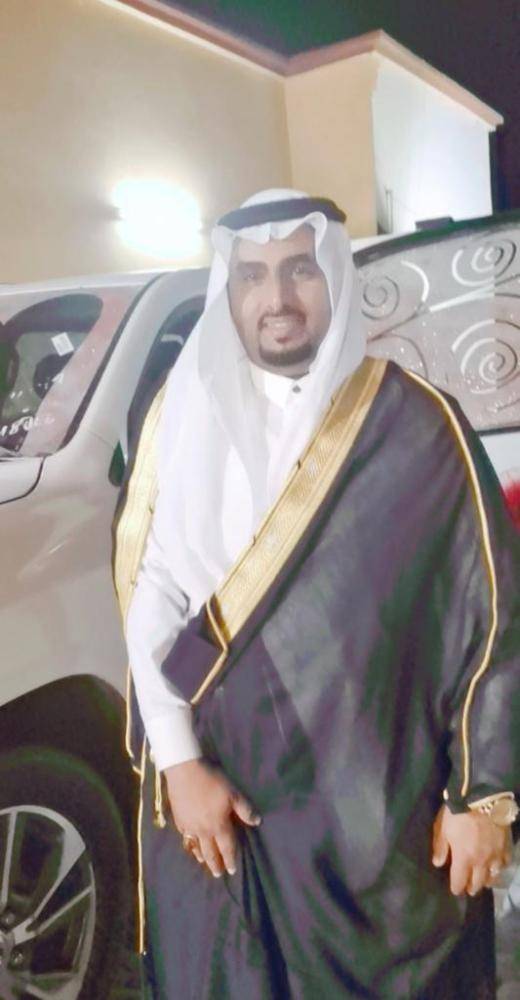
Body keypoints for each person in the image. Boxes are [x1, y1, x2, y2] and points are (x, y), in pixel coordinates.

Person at [113, 189, 520, 998]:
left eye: (299, 269)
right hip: (220, 802)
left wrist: (481, 797)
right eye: (253, 275)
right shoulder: (179, 418)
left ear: (333, 275)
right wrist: (181, 765)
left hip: (376, 809)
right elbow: (153, 599)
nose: (277, 297)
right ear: (229, 290)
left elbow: (493, 618)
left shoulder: (417, 424)